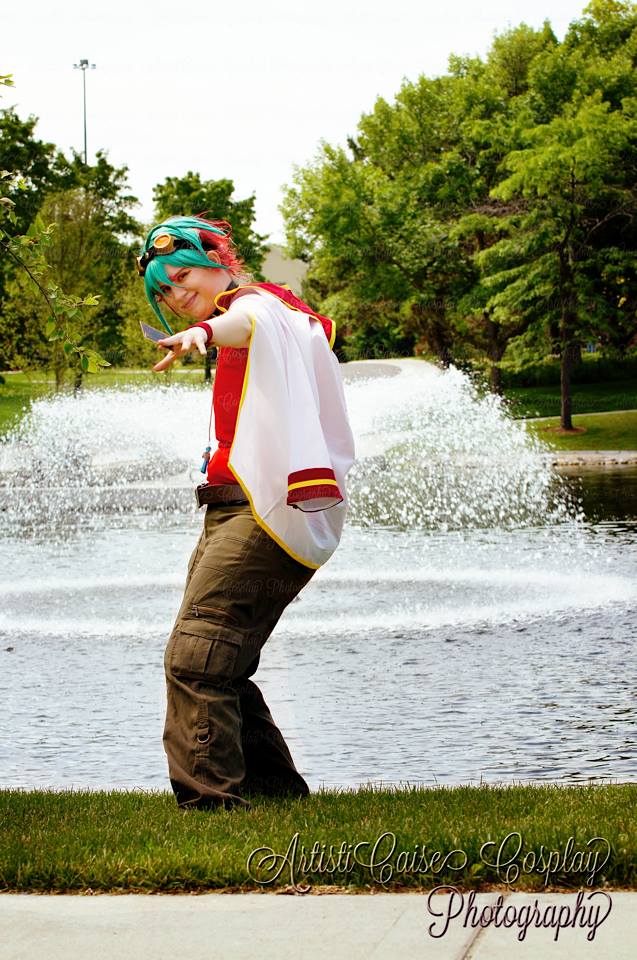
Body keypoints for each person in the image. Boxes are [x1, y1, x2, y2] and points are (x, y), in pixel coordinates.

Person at [137, 215, 355, 810]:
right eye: (165, 291)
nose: (177, 294)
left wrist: (204, 333)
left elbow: (246, 321)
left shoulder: (260, 305)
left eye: (182, 275)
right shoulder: (258, 313)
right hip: (233, 510)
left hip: (260, 513)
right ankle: (276, 796)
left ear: (215, 261)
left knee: (196, 659)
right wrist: (208, 329)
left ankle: (211, 804)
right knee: (221, 661)